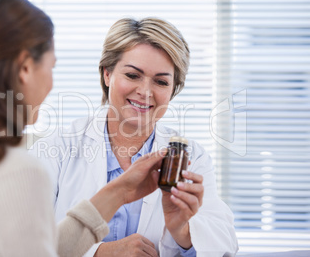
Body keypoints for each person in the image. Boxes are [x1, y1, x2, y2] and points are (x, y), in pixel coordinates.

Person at [0, 0, 167, 256]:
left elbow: (33, 248)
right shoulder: (15, 172)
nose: (52, 82)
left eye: (161, 81)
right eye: (51, 67)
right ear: (25, 68)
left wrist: (119, 192)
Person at [30, 17, 239, 257]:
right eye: (132, 75)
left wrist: (182, 230)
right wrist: (99, 254)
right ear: (107, 74)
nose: (145, 92)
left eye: (161, 81)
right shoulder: (56, 150)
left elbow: (226, 244)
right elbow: (20, 244)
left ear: (173, 90)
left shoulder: (192, 158)